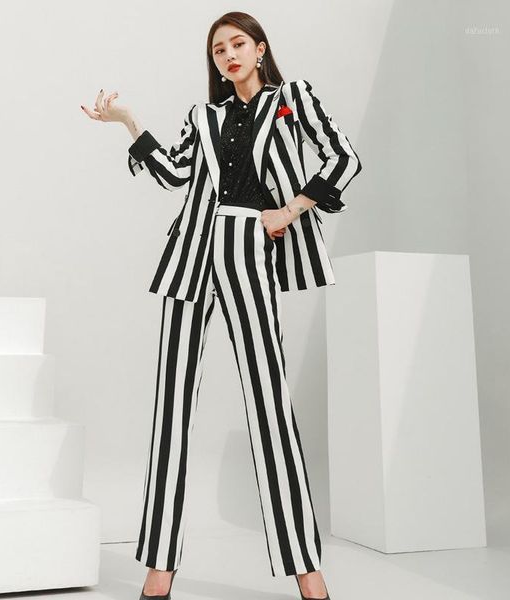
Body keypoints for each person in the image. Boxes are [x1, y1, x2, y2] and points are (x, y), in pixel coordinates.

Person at [81, 10, 362, 600]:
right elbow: (175, 174)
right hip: (191, 252)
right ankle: (159, 569)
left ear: (260, 49)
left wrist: (289, 210)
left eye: (238, 44)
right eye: (218, 50)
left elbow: (343, 158)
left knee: (269, 405)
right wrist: (128, 121)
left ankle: (307, 570)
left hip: (248, 245)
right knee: (172, 409)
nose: (229, 55)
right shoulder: (203, 117)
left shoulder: (292, 99)